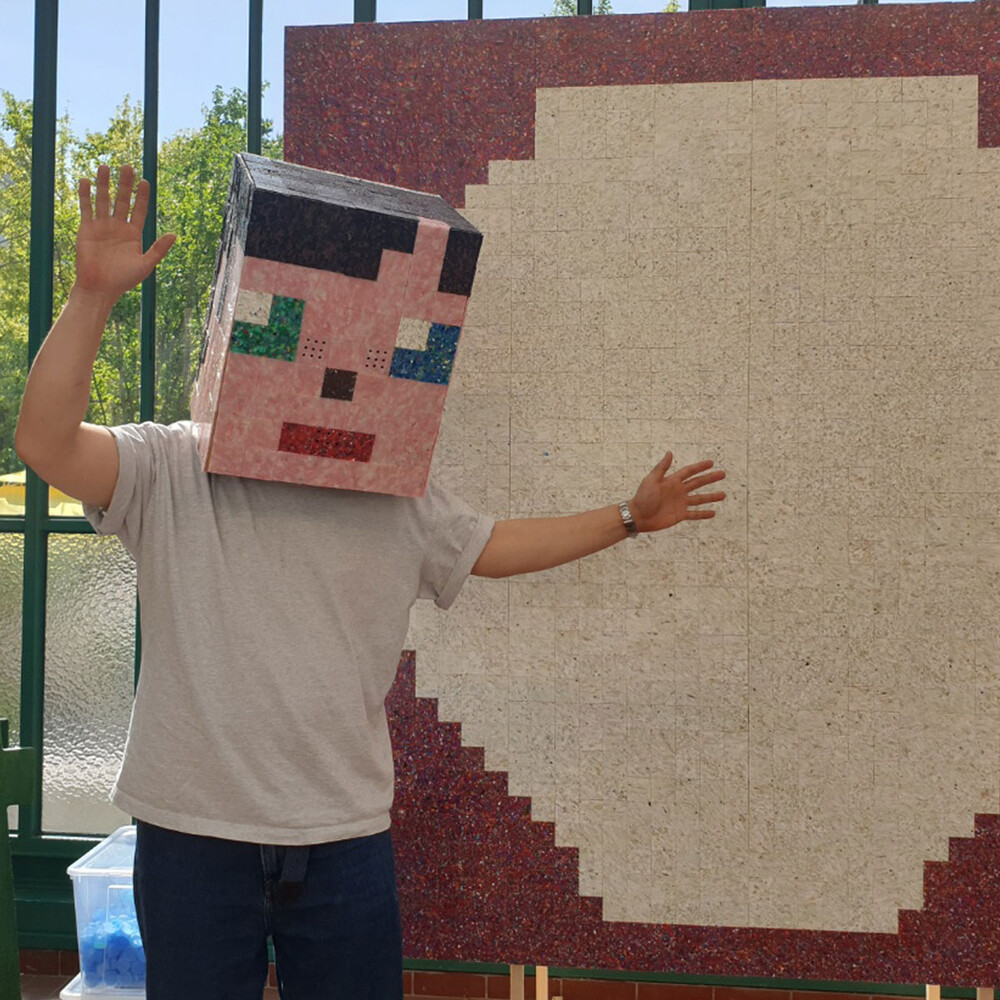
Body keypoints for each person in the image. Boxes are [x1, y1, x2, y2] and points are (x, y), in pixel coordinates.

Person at [15, 164, 727, 1000]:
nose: (337, 366)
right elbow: (46, 443)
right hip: (191, 833)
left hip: (342, 839)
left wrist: (630, 516)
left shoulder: (394, 494)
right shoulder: (173, 466)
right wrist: (92, 295)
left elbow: (494, 545)